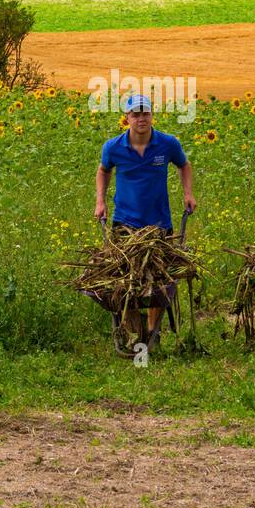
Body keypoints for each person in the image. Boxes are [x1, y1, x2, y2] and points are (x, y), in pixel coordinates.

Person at [95, 94, 196, 353]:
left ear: (152, 116)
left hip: (159, 224)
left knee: (160, 283)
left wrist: (188, 193)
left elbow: (184, 165)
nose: (141, 118)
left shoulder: (167, 144)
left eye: (145, 113)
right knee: (124, 281)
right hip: (125, 225)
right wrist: (100, 201)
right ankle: (133, 328)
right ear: (127, 118)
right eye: (135, 114)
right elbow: (104, 170)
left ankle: (152, 331)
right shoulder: (113, 147)